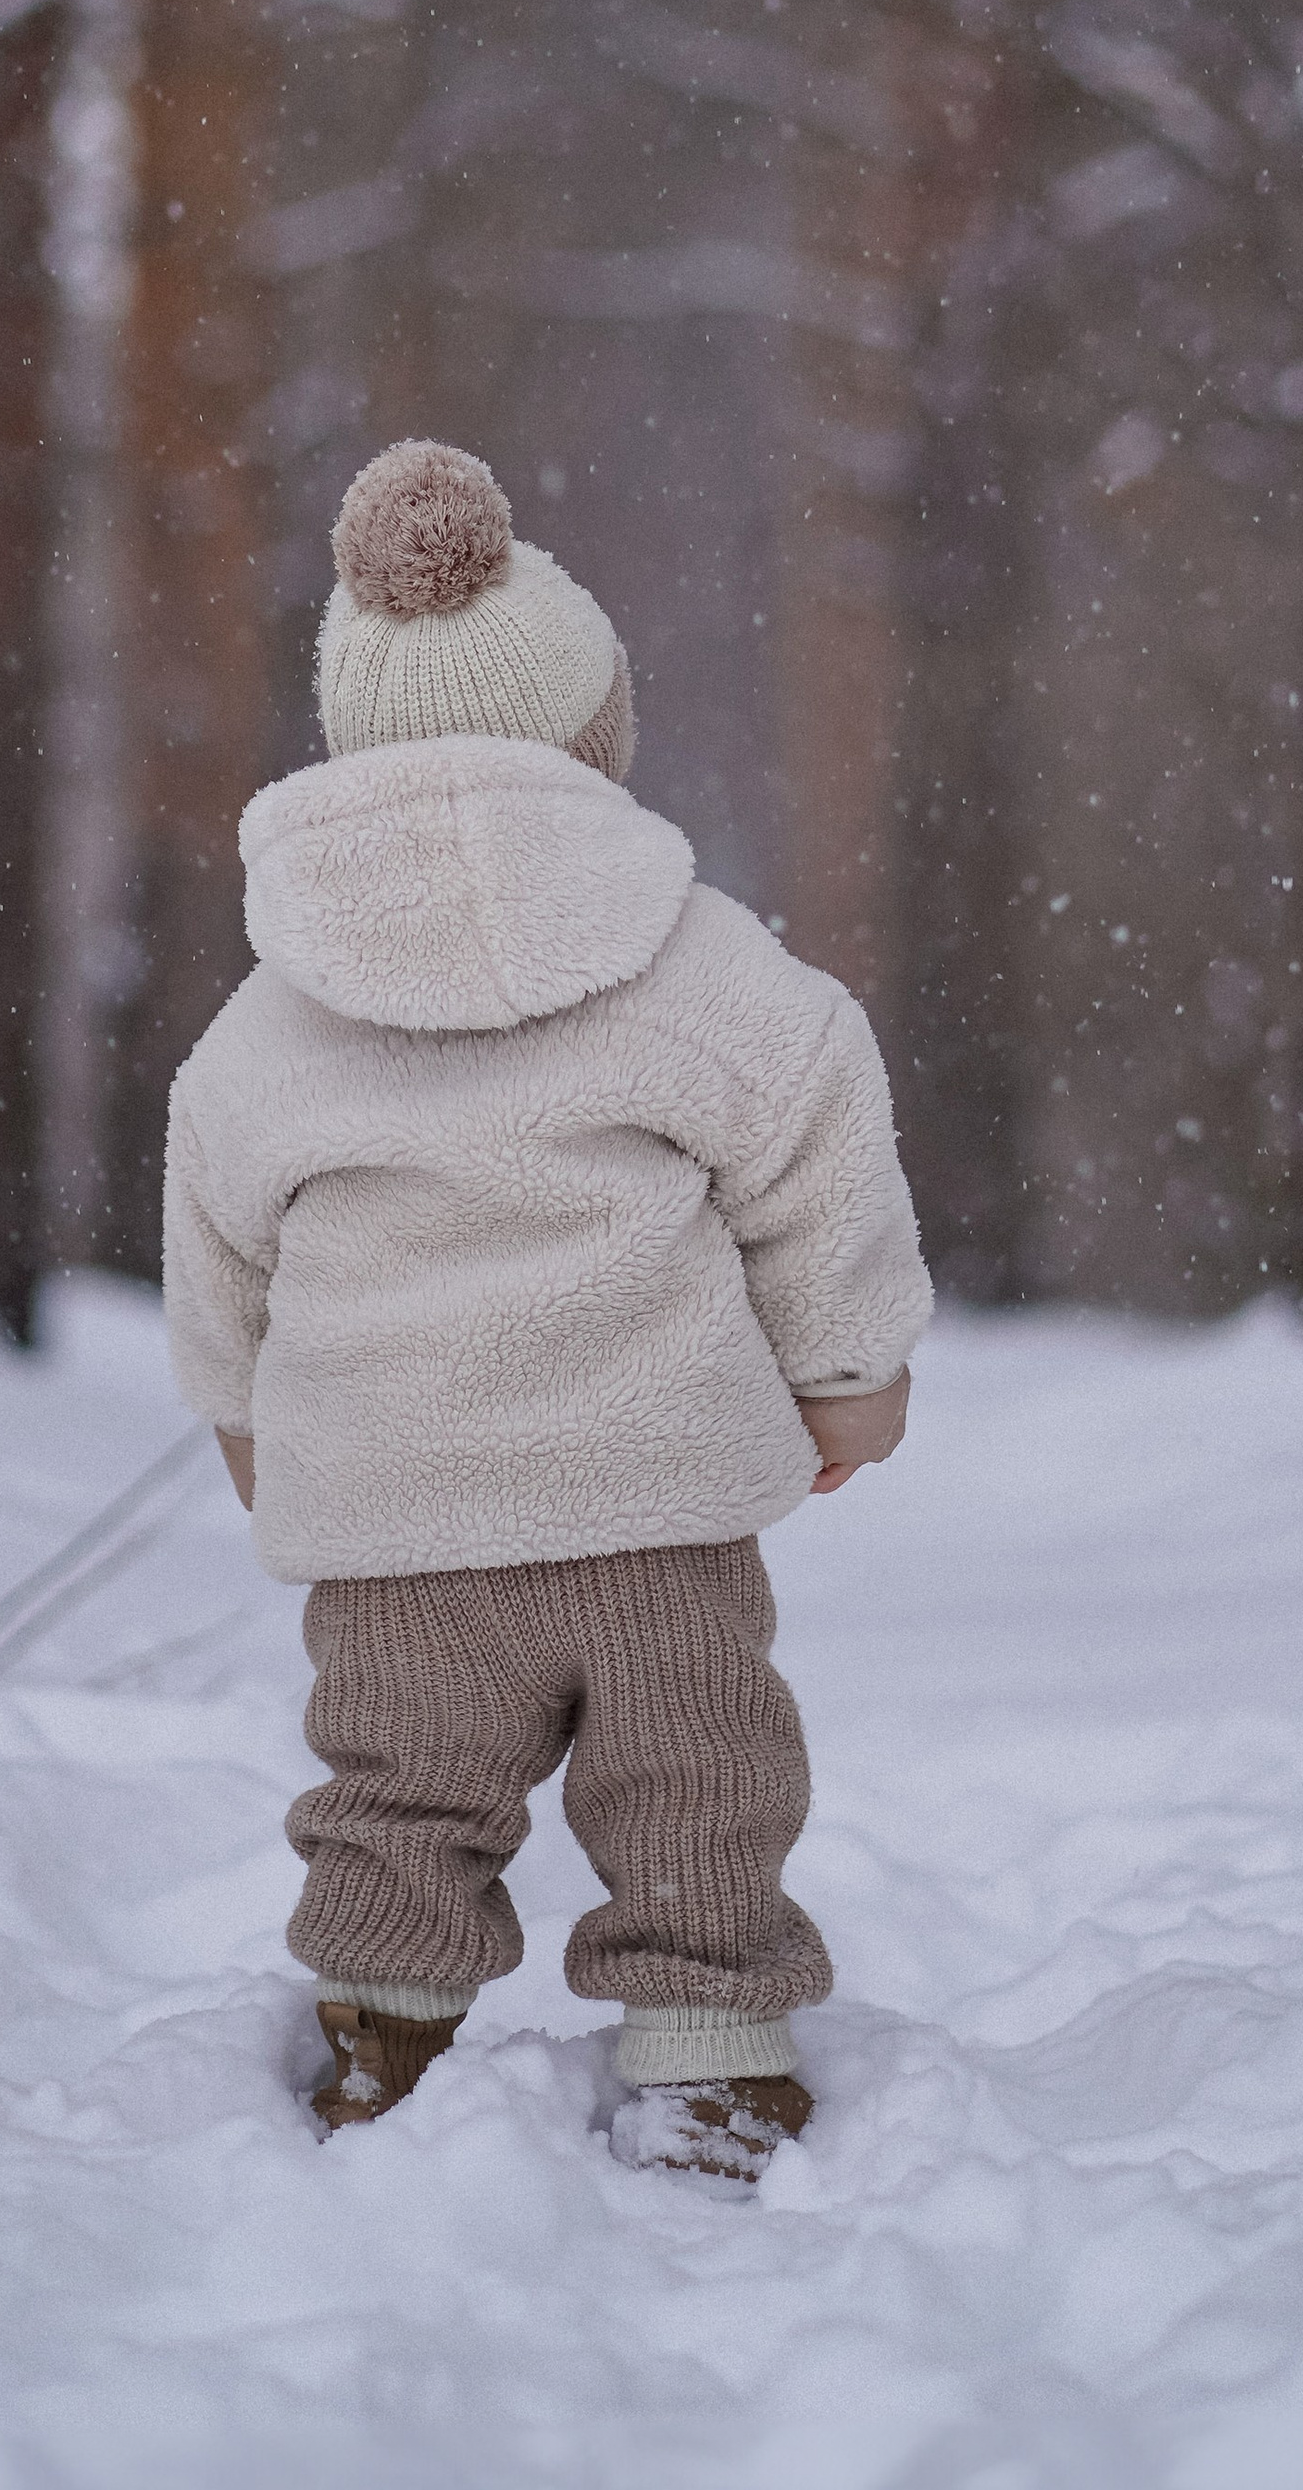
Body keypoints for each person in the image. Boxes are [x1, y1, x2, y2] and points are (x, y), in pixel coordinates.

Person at [163, 439, 932, 2182]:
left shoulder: (272, 1020)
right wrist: (849, 1374)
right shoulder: (701, 963)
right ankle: (712, 2048)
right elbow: (817, 1134)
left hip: (395, 1526)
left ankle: (379, 2028)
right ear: (599, 731)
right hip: (652, 1500)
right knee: (696, 1786)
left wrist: (244, 1421)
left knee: (398, 1800)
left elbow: (216, 1230)